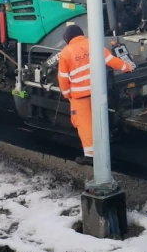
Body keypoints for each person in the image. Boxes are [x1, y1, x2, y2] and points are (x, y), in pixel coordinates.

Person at [57, 24, 134, 159]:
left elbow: (62, 78)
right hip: (97, 91)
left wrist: (66, 93)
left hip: (80, 96)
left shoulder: (65, 53)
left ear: (67, 38)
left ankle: (90, 156)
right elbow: (111, 61)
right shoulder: (94, 44)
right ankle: (104, 147)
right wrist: (127, 66)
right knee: (99, 120)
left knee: (85, 125)